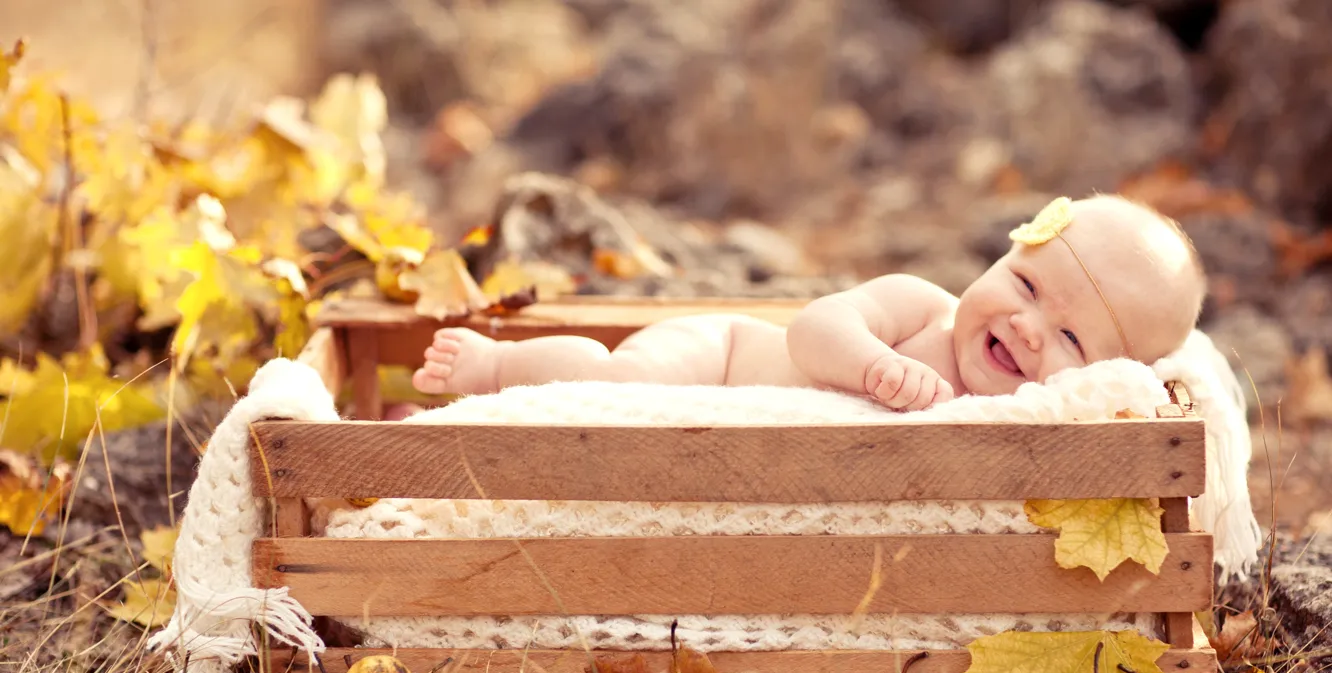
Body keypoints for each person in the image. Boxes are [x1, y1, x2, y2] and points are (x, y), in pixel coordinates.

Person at [410, 194, 1206, 411]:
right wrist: (872, 369)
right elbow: (813, 328)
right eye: (1026, 286)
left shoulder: (1026, 420)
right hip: (717, 362)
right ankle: (496, 366)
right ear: (1004, 251)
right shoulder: (922, 308)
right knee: (609, 382)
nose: (1027, 329)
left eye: (1070, 338)